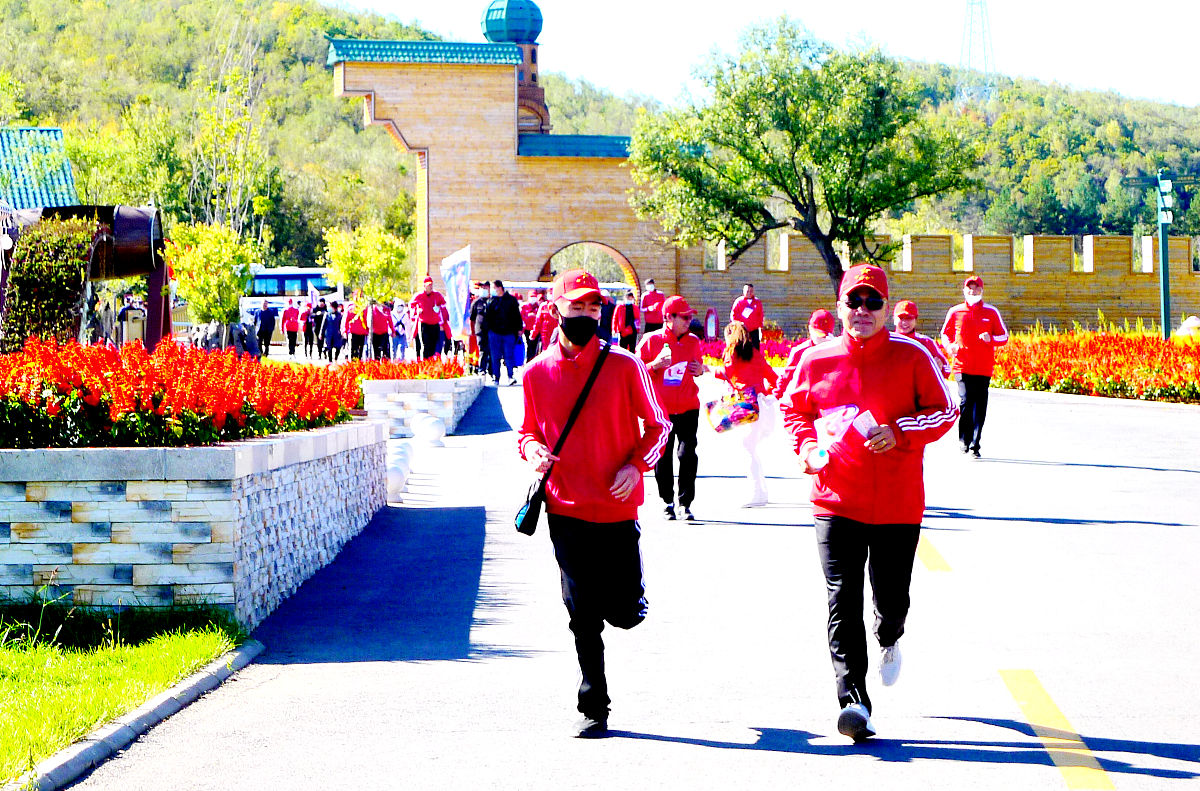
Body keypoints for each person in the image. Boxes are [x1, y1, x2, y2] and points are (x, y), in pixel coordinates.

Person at [781, 263, 958, 742]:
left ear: (885, 307)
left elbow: (946, 412)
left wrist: (897, 431)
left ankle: (891, 636)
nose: (862, 311)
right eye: (853, 302)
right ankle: (854, 701)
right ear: (840, 307)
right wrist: (806, 448)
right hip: (835, 499)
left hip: (898, 503)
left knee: (891, 600)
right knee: (841, 597)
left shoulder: (913, 354)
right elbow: (793, 409)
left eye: (872, 302)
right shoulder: (813, 358)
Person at [518, 268, 670, 739]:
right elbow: (526, 432)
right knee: (580, 611)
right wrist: (532, 451)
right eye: (577, 305)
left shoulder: (626, 364)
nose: (586, 314)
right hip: (564, 509)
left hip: (616, 508)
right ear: (556, 308)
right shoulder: (536, 373)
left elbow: (659, 427)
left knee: (622, 614)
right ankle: (594, 706)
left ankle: (631, 598)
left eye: (594, 307)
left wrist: (635, 467)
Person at [636, 295, 705, 521]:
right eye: (683, 317)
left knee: (687, 454)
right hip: (660, 410)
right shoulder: (650, 340)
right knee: (663, 458)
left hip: (687, 407)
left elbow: (698, 367)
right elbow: (634, 373)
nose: (688, 320)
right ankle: (667, 501)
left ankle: (685, 503)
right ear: (668, 318)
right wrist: (654, 365)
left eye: (690, 316)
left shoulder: (693, 341)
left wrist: (699, 370)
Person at [940, 275, 1009, 458]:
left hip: (984, 367)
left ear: (982, 291)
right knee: (965, 401)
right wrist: (950, 346)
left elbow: (1004, 337)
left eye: (976, 289)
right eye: (969, 289)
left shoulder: (991, 312)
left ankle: (975, 444)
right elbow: (944, 334)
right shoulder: (955, 312)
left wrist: (991, 339)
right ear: (964, 291)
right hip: (962, 366)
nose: (973, 292)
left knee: (980, 405)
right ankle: (964, 439)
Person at [714, 321, 779, 506]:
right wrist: (769, 396)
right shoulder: (755, 353)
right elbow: (774, 378)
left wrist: (710, 369)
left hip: (744, 405)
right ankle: (762, 492)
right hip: (761, 404)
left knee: (746, 448)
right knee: (751, 448)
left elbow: (726, 371)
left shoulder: (731, 350)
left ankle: (756, 493)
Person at [773, 309, 836, 400]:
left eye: (825, 336)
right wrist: (777, 397)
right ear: (810, 328)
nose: (821, 338)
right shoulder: (800, 351)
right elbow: (786, 378)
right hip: (804, 400)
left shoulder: (836, 349)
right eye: (818, 334)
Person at [893, 300, 950, 377]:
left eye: (909, 318)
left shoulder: (926, 342)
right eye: (901, 318)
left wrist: (940, 368)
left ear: (915, 320)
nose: (904, 322)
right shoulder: (887, 341)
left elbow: (947, 369)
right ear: (894, 319)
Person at [484, 279, 522, 385]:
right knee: (495, 356)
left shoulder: (511, 300)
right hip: (494, 333)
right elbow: (486, 318)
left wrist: (519, 329)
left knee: (508, 355)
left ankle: (511, 376)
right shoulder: (491, 301)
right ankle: (496, 377)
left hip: (508, 333)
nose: (492, 290)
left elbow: (517, 315)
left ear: (499, 288)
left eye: (494, 288)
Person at [411, 276, 448, 360]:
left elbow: (444, 305)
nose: (430, 287)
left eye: (431, 285)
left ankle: (431, 363)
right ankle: (425, 362)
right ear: (424, 286)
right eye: (428, 285)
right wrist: (417, 310)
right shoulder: (419, 296)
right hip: (424, 324)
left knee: (434, 345)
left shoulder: (437, 295)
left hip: (435, 324)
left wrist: (439, 308)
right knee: (425, 345)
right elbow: (411, 306)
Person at [730, 283, 765, 348]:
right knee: (742, 348)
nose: (749, 293)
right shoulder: (739, 302)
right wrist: (736, 325)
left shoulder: (757, 302)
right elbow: (733, 315)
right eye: (747, 291)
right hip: (742, 330)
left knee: (755, 349)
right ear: (743, 292)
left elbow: (761, 315)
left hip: (754, 330)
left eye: (751, 291)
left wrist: (761, 328)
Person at [391, 296, 410, 361]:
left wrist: (408, 336)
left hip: (402, 333)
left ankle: (402, 360)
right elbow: (389, 324)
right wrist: (390, 332)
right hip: (394, 334)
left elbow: (408, 325)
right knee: (394, 348)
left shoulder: (405, 315)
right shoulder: (392, 314)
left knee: (402, 348)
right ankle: (393, 360)